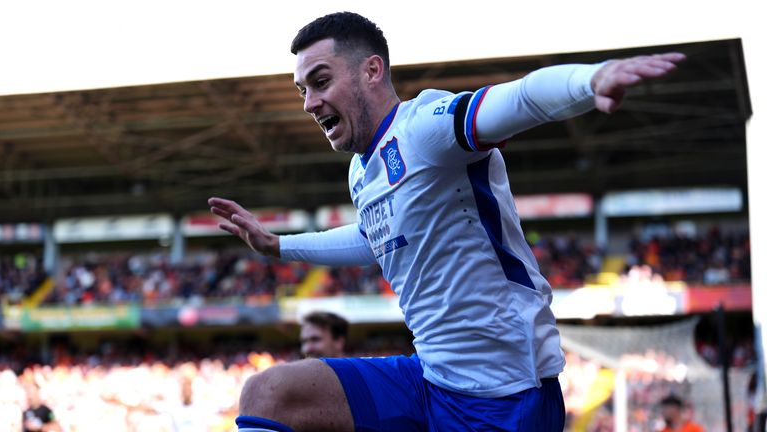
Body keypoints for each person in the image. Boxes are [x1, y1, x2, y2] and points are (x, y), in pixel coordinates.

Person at [208, 11, 685, 432]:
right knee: (268, 395)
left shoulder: (423, 128)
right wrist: (278, 246)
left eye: (321, 81)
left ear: (372, 71)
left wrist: (591, 80)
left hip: (506, 396)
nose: (309, 103)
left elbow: (517, 100)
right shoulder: (361, 169)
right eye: (303, 90)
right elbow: (374, 238)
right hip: (430, 380)